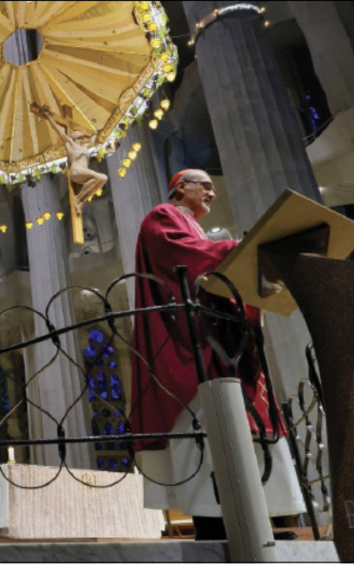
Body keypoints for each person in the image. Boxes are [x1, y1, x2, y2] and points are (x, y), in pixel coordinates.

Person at [130, 169, 305, 540]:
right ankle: (216, 524)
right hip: (193, 341)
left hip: (224, 340)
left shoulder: (194, 225)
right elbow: (185, 257)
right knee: (207, 427)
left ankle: (258, 520)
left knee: (244, 426)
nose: (212, 192)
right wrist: (239, 248)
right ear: (180, 187)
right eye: (204, 185)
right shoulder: (163, 216)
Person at [30, 102, 108, 212]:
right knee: (100, 177)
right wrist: (47, 115)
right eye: (78, 135)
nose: (80, 137)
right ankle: (79, 198)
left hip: (84, 172)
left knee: (103, 178)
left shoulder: (85, 147)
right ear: (73, 137)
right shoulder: (70, 144)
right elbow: (58, 130)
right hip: (76, 171)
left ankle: (82, 201)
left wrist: (96, 131)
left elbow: (94, 139)